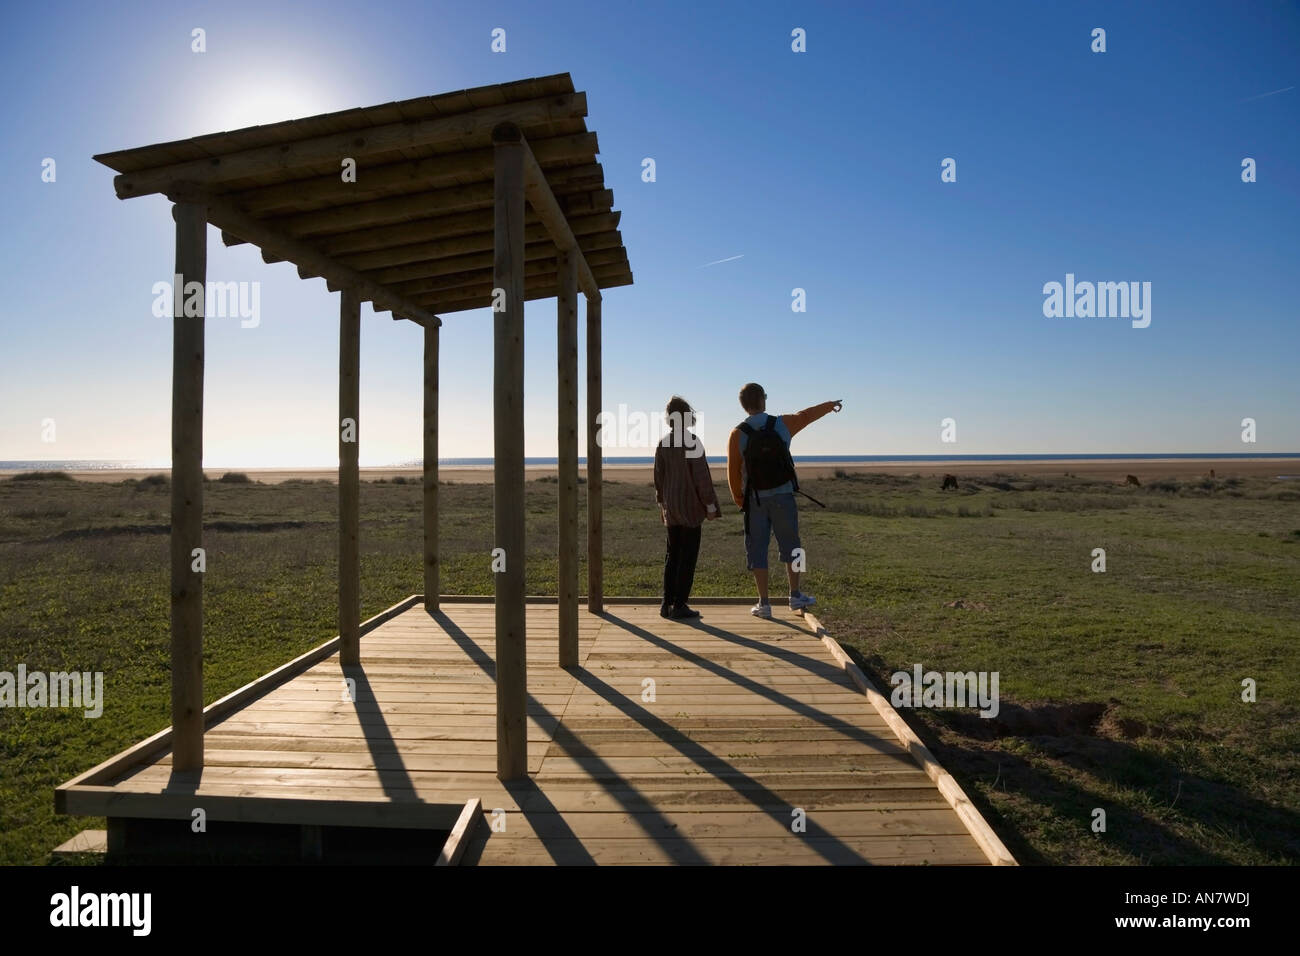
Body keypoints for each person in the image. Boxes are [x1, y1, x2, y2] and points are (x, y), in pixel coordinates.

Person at [726, 383, 842, 618]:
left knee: (757, 549)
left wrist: (740, 501)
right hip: (784, 496)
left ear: (743, 405)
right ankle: (796, 594)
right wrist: (830, 406)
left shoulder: (737, 434)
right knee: (794, 547)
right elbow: (806, 416)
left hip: (755, 500)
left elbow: (733, 473)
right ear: (763, 400)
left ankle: (764, 603)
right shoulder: (781, 424)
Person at [653, 396, 722, 619]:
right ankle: (680, 604)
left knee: (672, 555)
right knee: (688, 556)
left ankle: (666, 603)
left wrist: (663, 503)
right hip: (691, 508)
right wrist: (710, 506)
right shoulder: (692, 442)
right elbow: (702, 478)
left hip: (671, 507)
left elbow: (658, 478)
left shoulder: (663, 443)